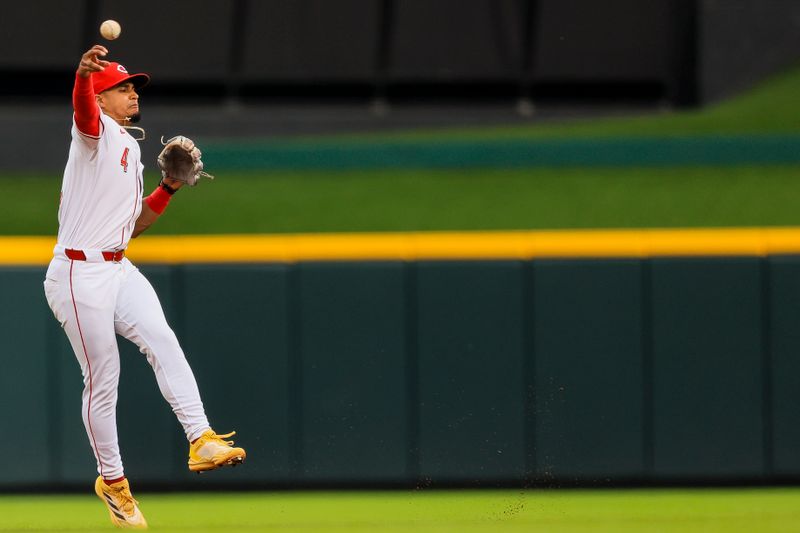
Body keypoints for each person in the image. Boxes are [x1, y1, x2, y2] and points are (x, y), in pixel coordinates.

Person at [43, 45, 246, 530]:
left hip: (118, 266)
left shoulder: (131, 147)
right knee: (104, 376)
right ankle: (112, 481)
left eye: (134, 87)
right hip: (77, 274)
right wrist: (81, 77)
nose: (133, 93)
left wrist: (168, 189)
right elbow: (83, 110)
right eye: (122, 87)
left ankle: (202, 440)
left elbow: (133, 225)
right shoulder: (91, 135)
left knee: (163, 341)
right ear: (100, 96)